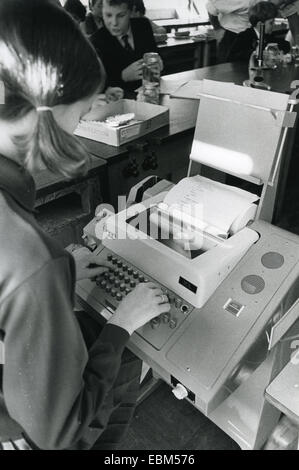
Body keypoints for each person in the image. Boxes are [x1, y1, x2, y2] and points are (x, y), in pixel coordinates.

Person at [0, 0, 170, 451]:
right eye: (79, 115)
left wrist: (53, 287)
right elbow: (59, 436)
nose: (80, 127)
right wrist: (122, 325)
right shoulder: (33, 261)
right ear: (48, 112)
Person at [91, 0, 163, 93]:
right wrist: (122, 76)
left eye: (121, 16)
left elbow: (155, 55)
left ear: (131, 12)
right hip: (121, 101)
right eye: (108, 15)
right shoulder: (96, 41)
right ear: (102, 12)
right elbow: (96, 85)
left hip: (150, 93)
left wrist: (159, 63)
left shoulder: (143, 26)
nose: (114, 23)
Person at [226, 1, 290, 62]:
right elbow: (232, 57)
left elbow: (286, 45)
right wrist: (255, 53)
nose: (273, 25)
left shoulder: (267, 36)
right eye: (271, 23)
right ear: (260, 24)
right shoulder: (244, 36)